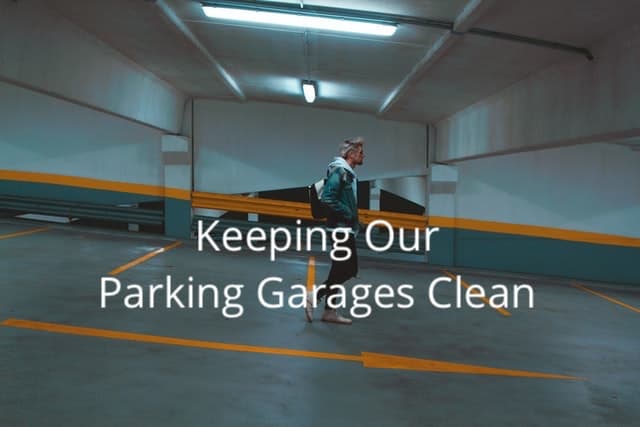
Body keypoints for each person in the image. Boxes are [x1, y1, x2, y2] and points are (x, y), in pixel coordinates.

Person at [306, 137, 365, 325]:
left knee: (341, 269)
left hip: (344, 229)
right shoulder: (340, 171)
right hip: (340, 229)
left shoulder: (347, 173)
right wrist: (348, 213)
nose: (364, 155)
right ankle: (315, 295)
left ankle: (329, 311)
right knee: (347, 269)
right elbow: (328, 198)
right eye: (361, 152)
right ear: (351, 154)